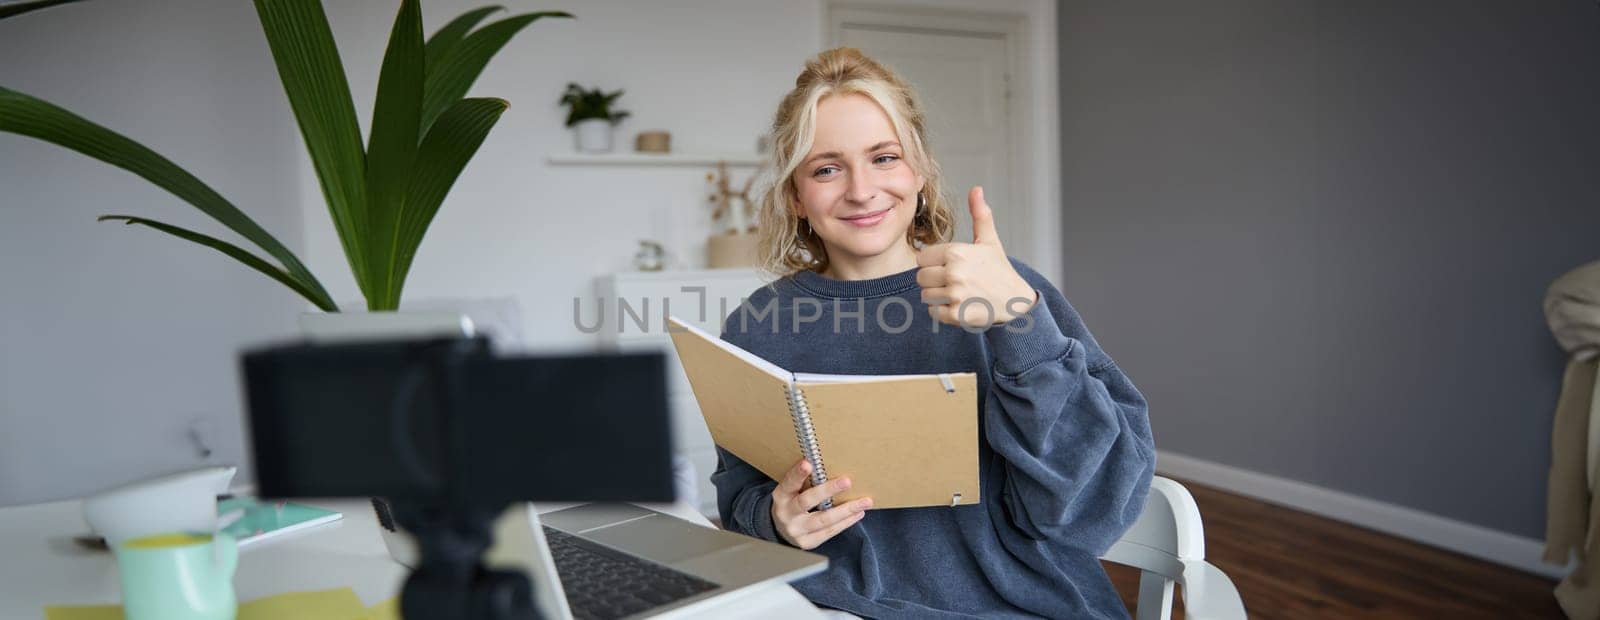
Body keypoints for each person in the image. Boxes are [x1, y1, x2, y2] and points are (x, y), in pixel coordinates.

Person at [710, 47, 1157, 619]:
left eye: (884, 158)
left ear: (919, 171)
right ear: (796, 195)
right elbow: (740, 491)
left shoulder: (1002, 289)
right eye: (826, 167)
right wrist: (774, 518)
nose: (861, 190)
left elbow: (1091, 506)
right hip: (830, 607)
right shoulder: (758, 323)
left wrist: (1018, 322)